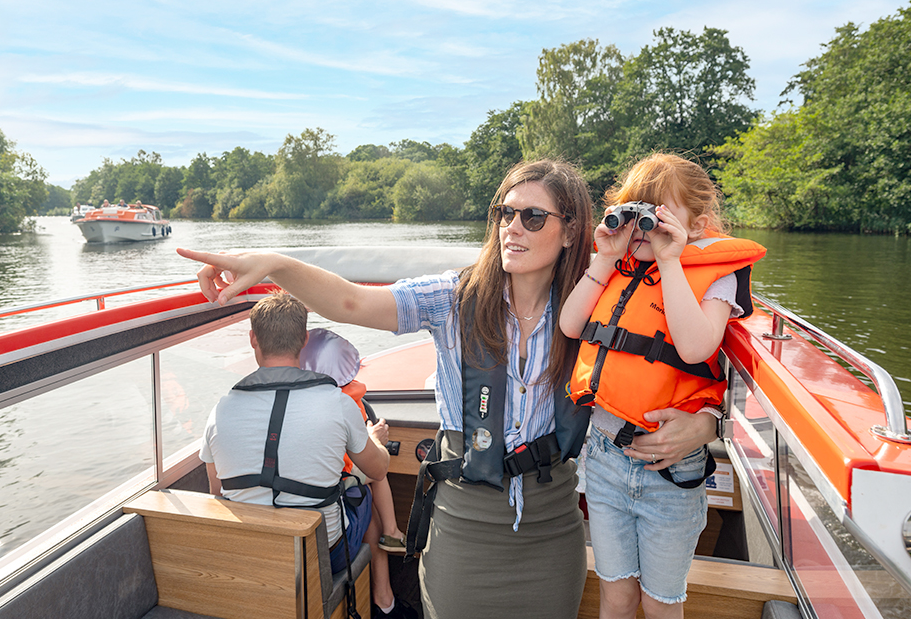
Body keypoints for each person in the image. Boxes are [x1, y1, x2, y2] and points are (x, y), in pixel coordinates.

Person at [179, 158, 719, 619]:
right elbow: (352, 303)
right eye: (505, 213)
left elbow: (679, 363)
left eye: (533, 217)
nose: (513, 228)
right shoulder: (452, 298)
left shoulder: (598, 300)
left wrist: (706, 423)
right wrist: (275, 264)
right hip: (464, 526)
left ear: (572, 229)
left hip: (551, 528)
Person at [560, 153, 765, 619]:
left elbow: (694, 348)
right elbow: (572, 325)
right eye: (635, 216)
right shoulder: (618, 265)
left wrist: (672, 261)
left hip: (669, 475)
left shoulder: (712, 278)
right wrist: (606, 255)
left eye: (657, 218)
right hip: (607, 461)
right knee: (616, 596)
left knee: (659, 603)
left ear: (700, 224)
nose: (642, 232)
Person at [199, 292, 390, 575]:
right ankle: (382, 601)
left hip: (250, 551)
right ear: (304, 340)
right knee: (363, 496)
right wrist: (375, 440)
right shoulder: (338, 402)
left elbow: (218, 493)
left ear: (253, 339)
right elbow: (378, 469)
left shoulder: (220, 410)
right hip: (321, 553)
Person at [300, 328, 415, 619]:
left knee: (358, 495)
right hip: (330, 523)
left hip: (291, 526)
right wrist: (376, 439)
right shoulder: (346, 405)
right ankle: (384, 592)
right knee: (367, 488)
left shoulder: (292, 404)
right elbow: (375, 466)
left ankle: (382, 598)